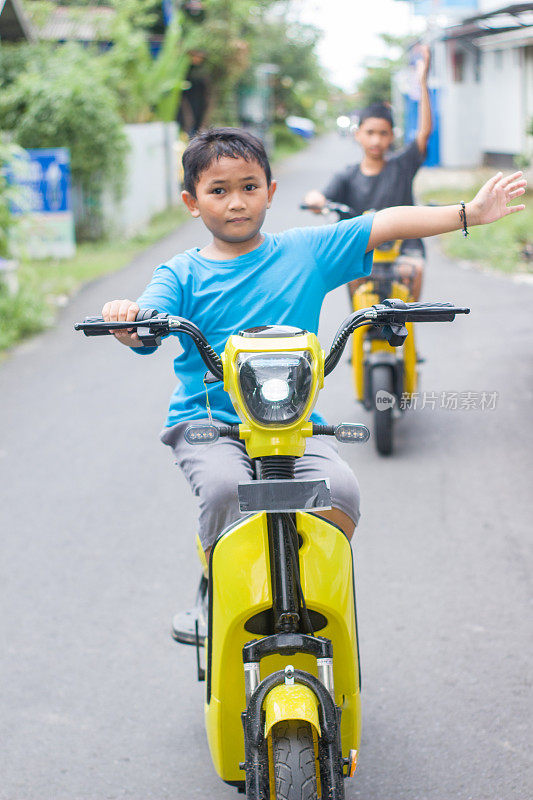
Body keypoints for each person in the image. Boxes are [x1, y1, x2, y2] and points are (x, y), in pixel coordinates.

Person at [101, 127, 526, 639]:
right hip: (209, 421)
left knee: (341, 492)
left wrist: (469, 214)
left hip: (296, 423)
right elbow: (146, 323)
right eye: (219, 191)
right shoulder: (180, 274)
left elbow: (384, 222)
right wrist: (128, 319)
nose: (236, 202)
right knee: (222, 491)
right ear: (192, 202)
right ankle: (213, 584)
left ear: (271, 192)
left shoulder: (306, 251)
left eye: (249, 187)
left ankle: (308, 581)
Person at [304, 45, 433, 301]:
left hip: (404, 248)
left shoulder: (402, 165)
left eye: (383, 133)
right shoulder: (348, 175)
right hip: (363, 250)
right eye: (370, 132)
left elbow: (424, 133)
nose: (376, 139)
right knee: (357, 306)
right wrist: (314, 201)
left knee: (414, 274)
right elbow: (319, 195)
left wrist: (422, 81)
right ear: (358, 135)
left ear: (391, 137)